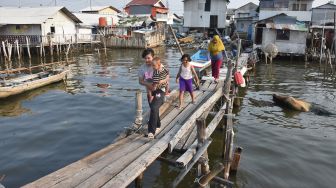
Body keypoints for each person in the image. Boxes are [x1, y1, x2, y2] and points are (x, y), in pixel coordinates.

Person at [148, 57, 169, 138]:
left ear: (158, 64)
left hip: (159, 92)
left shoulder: (158, 71)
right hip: (156, 91)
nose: (152, 67)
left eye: (153, 65)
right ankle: (158, 125)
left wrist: (152, 94)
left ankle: (151, 131)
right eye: (152, 65)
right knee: (154, 108)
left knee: (153, 107)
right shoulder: (159, 70)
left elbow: (155, 85)